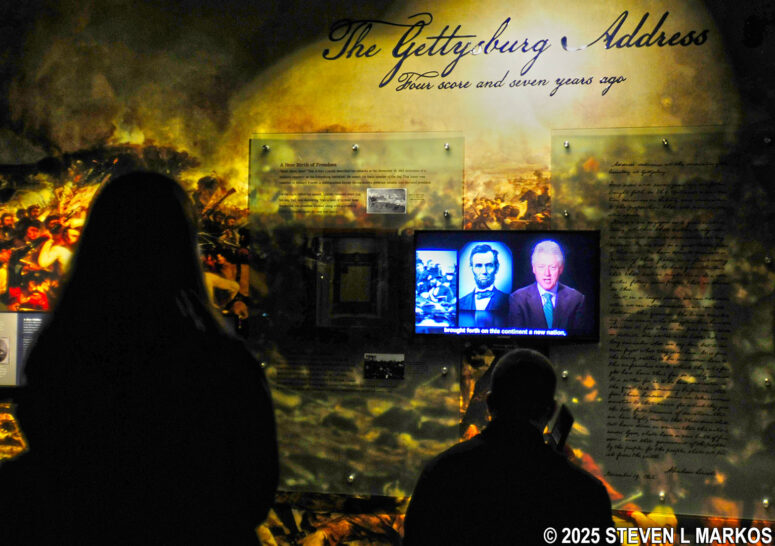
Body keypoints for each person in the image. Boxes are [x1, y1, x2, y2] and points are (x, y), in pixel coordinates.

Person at [0, 172, 278, 544]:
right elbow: (252, 492)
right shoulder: (222, 364)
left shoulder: (58, 353)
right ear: (181, 246)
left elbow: (57, 466)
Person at [403, 349, 615, 545]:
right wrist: (563, 468)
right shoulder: (586, 493)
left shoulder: (441, 472)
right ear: (550, 411)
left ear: (490, 404)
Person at [508, 240, 587, 332]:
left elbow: (577, 339)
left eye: (552, 267)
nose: (547, 273)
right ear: (534, 268)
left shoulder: (576, 299)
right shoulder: (518, 298)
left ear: (561, 269)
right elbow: (517, 338)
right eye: (541, 267)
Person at [458, 243, 509, 327]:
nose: (484, 271)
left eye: (489, 265)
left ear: (497, 268)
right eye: (478, 266)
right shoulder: (461, 302)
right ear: (472, 268)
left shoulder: (509, 300)